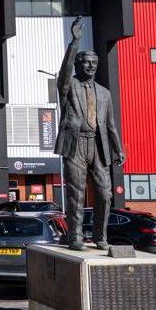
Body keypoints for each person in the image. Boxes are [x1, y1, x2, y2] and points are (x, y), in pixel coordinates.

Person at [55, 17, 125, 251]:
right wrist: (75, 41)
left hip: (98, 145)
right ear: (77, 64)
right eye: (86, 62)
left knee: (105, 193)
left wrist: (118, 149)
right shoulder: (69, 86)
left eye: (94, 63)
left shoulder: (104, 93)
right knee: (76, 193)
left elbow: (110, 124)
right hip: (75, 144)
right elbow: (64, 74)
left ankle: (100, 236)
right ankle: (74, 237)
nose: (91, 66)